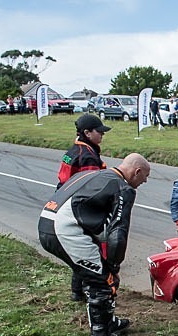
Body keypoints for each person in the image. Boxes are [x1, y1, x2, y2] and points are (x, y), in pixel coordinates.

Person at [38, 153, 151, 336]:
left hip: (48, 221)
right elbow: (118, 232)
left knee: (99, 275)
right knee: (103, 280)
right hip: (64, 230)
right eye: (145, 177)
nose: (145, 181)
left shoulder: (97, 174)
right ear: (137, 171)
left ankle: (108, 322)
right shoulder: (123, 188)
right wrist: (114, 266)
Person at [57, 114, 112, 301]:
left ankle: (77, 291)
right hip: (80, 208)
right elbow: (92, 188)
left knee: (79, 251)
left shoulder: (74, 150)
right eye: (99, 132)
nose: (102, 135)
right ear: (87, 133)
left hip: (65, 200)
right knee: (88, 251)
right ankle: (84, 290)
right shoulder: (87, 156)